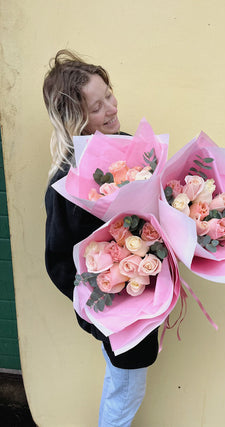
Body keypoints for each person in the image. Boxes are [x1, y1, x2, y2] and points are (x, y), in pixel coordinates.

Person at [43, 49, 158, 427]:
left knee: (125, 388)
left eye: (108, 94)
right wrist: (108, 299)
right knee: (125, 394)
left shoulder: (127, 147)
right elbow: (61, 262)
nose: (111, 107)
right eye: (97, 106)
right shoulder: (67, 183)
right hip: (116, 311)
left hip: (145, 298)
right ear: (77, 119)